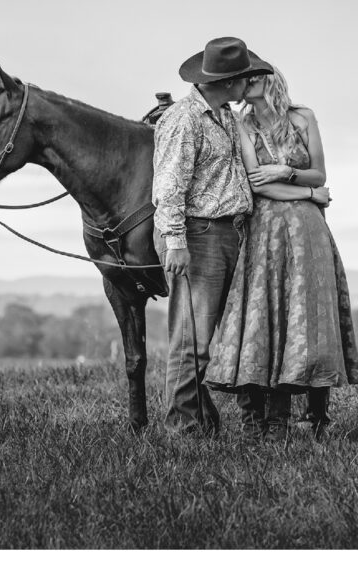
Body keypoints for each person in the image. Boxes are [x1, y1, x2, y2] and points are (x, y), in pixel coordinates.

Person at [206, 65, 358, 442]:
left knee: (304, 316)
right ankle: (260, 418)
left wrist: (284, 171)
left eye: (255, 77)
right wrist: (307, 193)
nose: (247, 83)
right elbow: (257, 185)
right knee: (264, 314)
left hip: (308, 230)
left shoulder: (303, 117)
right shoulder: (243, 124)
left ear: (270, 80)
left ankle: (302, 414)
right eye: (245, 79)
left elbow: (319, 173)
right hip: (266, 227)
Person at [152, 36, 273, 434]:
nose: (249, 82)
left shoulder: (223, 116)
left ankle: (224, 423)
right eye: (245, 77)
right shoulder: (184, 119)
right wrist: (175, 242)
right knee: (192, 339)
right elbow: (169, 186)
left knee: (229, 333)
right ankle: (183, 430)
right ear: (229, 82)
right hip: (199, 233)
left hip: (228, 232)